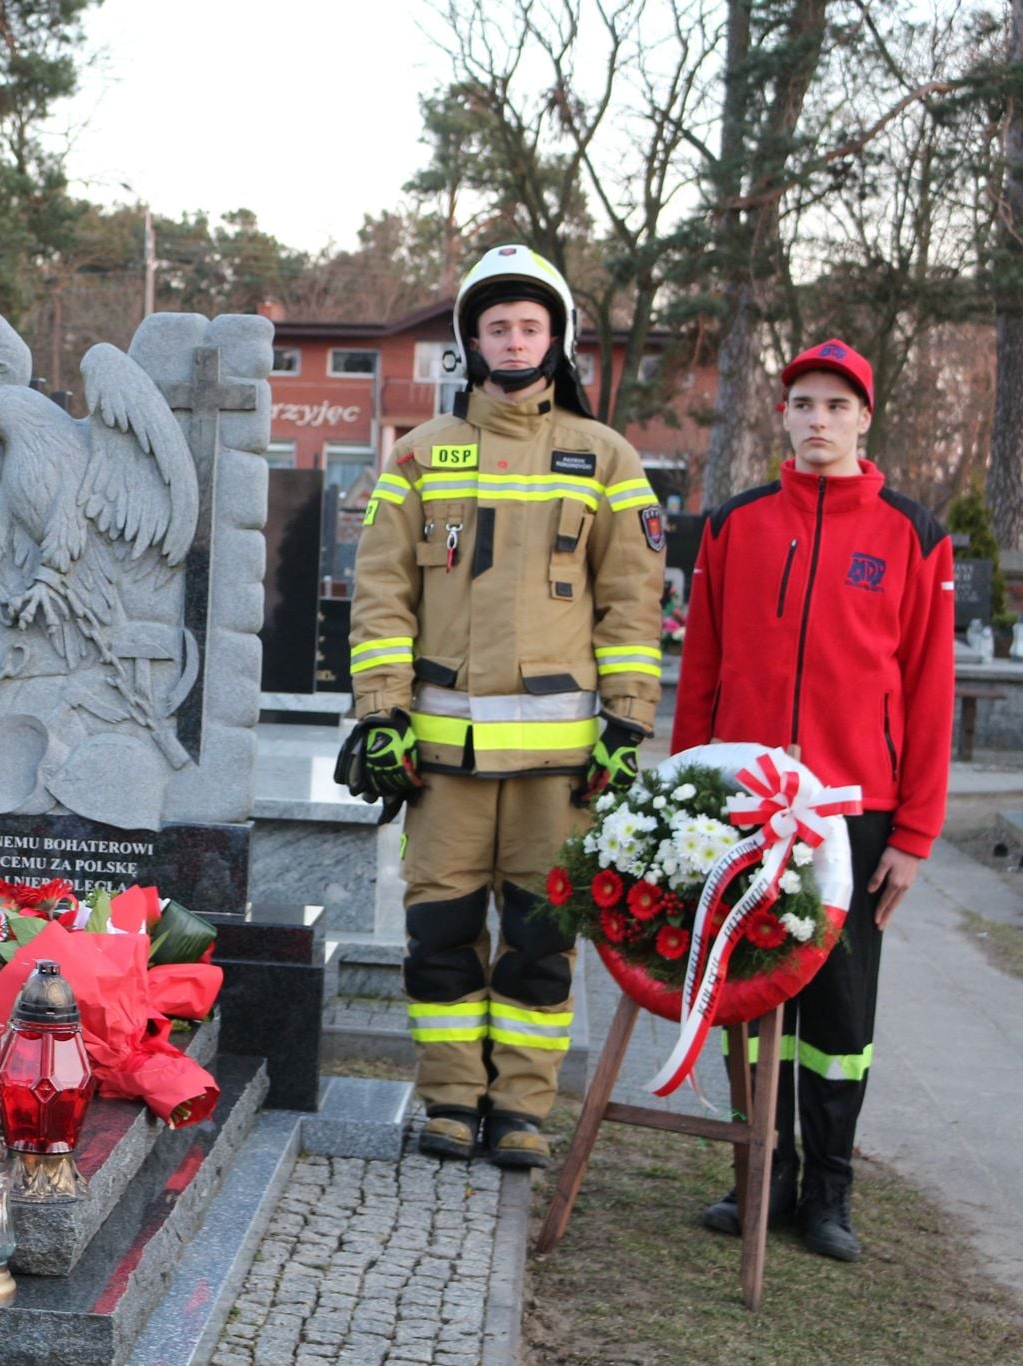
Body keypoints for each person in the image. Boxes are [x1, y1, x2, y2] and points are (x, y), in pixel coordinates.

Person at [341, 245, 665, 1168]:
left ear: (555, 339)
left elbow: (632, 598)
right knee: (439, 937)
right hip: (440, 761)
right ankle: (449, 1100)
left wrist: (628, 721)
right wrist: (382, 712)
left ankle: (521, 1109)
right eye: (497, 326)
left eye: (530, 325)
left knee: (538, 943)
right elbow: (381, 594)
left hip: (559, 770)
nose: (513, 340)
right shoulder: (418, 455)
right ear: (471, 341)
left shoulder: (605, 458)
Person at [673, 338, 954, 1261]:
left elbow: (929, 693)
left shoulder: (913, 535)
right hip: (746, 805)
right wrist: (688, 799)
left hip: (855, 811)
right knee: (747, 995)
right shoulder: (734, 525)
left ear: (864, 417)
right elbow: (703, 674)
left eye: (838, 404)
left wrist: (912, 833)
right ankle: (761, 1173)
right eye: (804, 403)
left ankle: (829, 1189)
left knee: (839, 1012)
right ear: (782, 415)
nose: (820, 419)